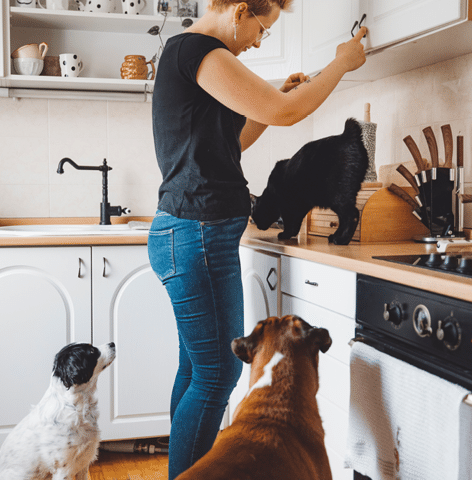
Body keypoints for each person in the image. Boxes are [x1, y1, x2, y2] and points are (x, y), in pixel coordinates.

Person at [148, 1, 367, 478]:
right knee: (216, 375)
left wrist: (274, 103)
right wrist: (341, 65)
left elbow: (235, 143)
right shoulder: (199, 51)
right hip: (198, 234)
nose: (257, 41)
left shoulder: (187, 54)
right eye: (261, 28)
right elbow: (288, 113)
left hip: (193, 233)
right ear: (240, 10)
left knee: (197, 372)